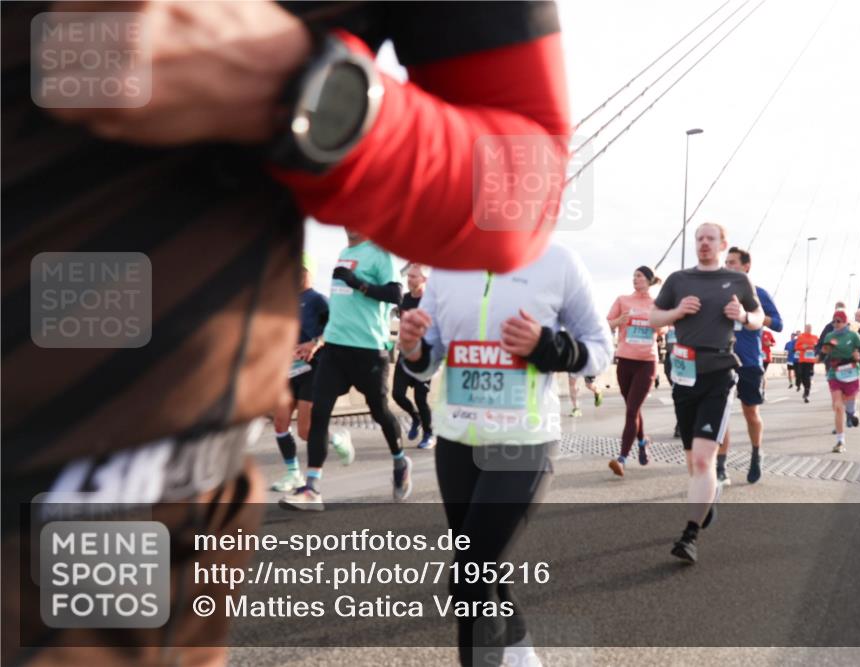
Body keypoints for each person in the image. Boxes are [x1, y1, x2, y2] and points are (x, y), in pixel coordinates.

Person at [3, 2, 572, 662]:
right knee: (314, 413)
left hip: (102, 494)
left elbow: (523, 188)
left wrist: (300, 85)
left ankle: (389, 457)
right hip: (293, 373)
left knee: (403, 448)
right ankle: (311, 479)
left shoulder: (380, 259)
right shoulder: (343, 262)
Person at [397, 243, 613, 667]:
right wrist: (412, 349)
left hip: (524, 443)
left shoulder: (559, 261)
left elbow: (599, 352)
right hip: (457, 442)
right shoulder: (447, 263)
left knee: (469, 578)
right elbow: (428, 361)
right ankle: (520, 653)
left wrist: (546, 346)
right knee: (484, 565)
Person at [649, 222, 764, 563]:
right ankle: (706, 497)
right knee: (692, 460)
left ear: (722, 244)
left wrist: (743, 314)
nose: (703, 243)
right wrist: (676, 312)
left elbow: (759, 317)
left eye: (709, 239)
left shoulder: (739, 281)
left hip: (719, 373)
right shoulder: (678, 279)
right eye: (698, 238)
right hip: (684, 376)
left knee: (702, 457)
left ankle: (689, 536)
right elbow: (654, 318)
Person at [282, 232, 406, 510]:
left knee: (379, 411)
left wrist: (358, 283)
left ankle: (399, 460)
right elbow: (341, 309)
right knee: (319, 412)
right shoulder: (344, 252)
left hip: (368, 350)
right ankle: (312, 489)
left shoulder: (380, 252)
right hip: (336, 349)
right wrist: (317, 342)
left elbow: (395, 294)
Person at [717, 246, 783, 486]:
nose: (727, 266)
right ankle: (721, 466)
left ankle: (756, 454)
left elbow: (778, 324)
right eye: (726, 262)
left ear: (746, 266)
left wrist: (749, 315)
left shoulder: (759, 294)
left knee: (751, 413)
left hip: (749, 362)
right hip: (722, 360)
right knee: (721, 414)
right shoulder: (719, 293)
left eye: (732, 262)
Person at [272, 254, 330, 492]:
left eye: (303, 269)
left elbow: (334, 330)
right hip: (288, 370)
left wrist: (315, 343)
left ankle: (335, 439)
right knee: (280, 422)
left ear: (312, 273)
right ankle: (293, 473)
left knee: (306, 431)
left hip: (312, 369)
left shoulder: (318, 300)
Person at [607, 266, 664, 476]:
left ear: (649, 280)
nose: (635, 279)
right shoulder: (623, 300)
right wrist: (618, 321)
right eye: (633, 276)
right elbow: (606, 323)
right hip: (624, 361)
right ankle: (642, 441)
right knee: (634, 409)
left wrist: (658, 324)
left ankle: (621, 459)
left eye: (639, 276)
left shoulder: (657, 304)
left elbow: (664, 327)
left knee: (631, 410)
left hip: (646, 362)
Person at [392, 263, 436, 449]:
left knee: (420, 398)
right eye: (408, 276)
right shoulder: (403, 300)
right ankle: (415, 418)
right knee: (397, 394)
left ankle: (429, 433)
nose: (409, 280)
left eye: (413, 277)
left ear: (424, 279)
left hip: (425, 357)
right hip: (405, 355)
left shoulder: (431, 302)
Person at [820, 310, 860, 453]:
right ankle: (840, 441)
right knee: (838, 406)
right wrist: (823, 353)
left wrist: (859, 356)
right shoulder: (829, 335)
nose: (836, 324)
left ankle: (853, 413)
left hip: (851, 372)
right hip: (835, 372)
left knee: (849, 404)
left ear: (846, 322)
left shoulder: (853, 335)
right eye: (834, 321)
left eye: (839, 321)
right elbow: (824, 354)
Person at [794, 325, 820, 403]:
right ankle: (805, 387)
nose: (809, 329)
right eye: (807, 328)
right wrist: (802, 346)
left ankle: (807, 393)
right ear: (805, 329)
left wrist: (814, 347)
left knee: (807, 377)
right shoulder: (801, 337)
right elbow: (796, 347)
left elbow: (819, 347)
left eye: (810, 328)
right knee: (801, 375)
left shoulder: (815, 337)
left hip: (811, 360)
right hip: (802, 360)